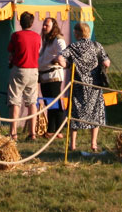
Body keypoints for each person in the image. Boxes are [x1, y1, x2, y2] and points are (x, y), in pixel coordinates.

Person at [58, 22, 110, 152]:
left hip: (78, 86)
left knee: (75, 114)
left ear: (77, 33)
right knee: (96, 114)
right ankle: (93, 144)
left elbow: (60, 59)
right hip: (95, 86)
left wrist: (69, 66)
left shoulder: (73, 47)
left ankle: (73, 144)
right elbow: (106, 62)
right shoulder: (97, 45)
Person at [7, 12, 42, 142]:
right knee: (32, 101)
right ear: (31, 23)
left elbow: (10, 50)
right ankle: (32, 133)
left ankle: (13, 133)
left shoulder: (16, 36)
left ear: (20, 22)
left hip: (19, 69)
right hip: (33, 70)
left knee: (15, 100)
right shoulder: (37, 37)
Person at [38, 16, 67, 138]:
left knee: (56, 103)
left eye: (47, 25)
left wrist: (58, 58)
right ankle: (51, 129)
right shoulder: (46, 40)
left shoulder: (58, 40)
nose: (44, 27)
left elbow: (64, 52)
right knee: (49, 103)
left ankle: (57, 130)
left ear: (53, 27)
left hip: (54, 75)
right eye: (44, 25)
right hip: (44, 75)